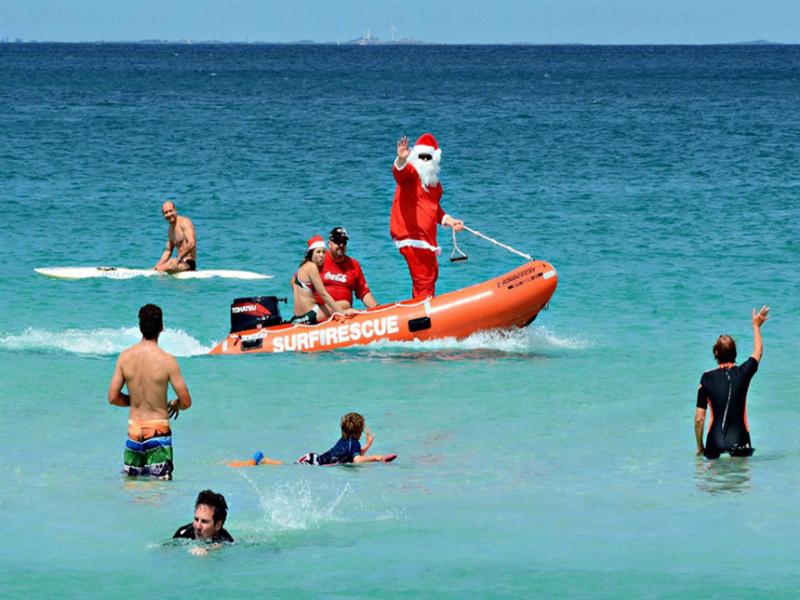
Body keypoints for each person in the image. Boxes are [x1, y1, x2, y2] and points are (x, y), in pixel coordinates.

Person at [108, 304, 191, 479]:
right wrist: (176, 404)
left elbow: (113, 397)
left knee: (132, 489)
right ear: (161, 327)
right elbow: (186, 401)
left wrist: (135, 400)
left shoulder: (125, 357)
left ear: (140, 327)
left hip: (134, 431)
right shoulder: (168, 361)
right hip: (158, 431)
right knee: (158, 493)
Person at [391, 133, 464, 299]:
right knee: (424, 277)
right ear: (416, 156)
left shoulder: (434, 186)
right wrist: (401, 159)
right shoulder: (410, 174)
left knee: (431, 273)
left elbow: (434, 210)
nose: (424, 161)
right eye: (421, 157)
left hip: (427, 240)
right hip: (411, 236)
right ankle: (424, 311)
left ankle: (421, 306)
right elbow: (399, 173)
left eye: (428, 157)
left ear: (434, 159)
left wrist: (449, 221)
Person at [695, 306, 770, 459]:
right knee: (740, 482)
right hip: (741, 444)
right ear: (735, 353)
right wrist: (756, 326)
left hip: (714, 446)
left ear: (716, 353)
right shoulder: (743, 373)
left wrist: (700, 446)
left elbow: (699, 419)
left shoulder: (706, 378)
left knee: (714, 482)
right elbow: (758, 351)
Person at [229, 412, 396, 467]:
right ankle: (258, 461)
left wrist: (367, 445)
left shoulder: (345, 440)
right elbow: (357, 459)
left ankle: (263, 459)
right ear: (359, 431)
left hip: (313, 458)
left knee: (288, 466)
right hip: (315, 464)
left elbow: (353, 454)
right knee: (289, 468)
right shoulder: (354, 444)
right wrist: (378, 457)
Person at [291, 235, 356, 324]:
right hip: (310, 315)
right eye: (318, 252)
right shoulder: (312, 267)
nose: (321, 255)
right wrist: (342, 312)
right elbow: (323, 294)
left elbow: (292, 283)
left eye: (323, 252)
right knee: (345, 304)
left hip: (298, 318)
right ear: (311, 253)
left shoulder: (301, 267)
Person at [319, 226, 378, 310]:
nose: (341, 245)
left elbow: (364, 293)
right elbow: (299, 282)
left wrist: (378, 309)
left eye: (344, 242)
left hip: (346, 315)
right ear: (329, 244)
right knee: (345, 304)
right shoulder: (319, 261)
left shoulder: (353, 264)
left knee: (347, 306)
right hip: (324, 314)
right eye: (338, 241)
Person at [173, 490, 234, 555]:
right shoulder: (183, 533)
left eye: (204, 521)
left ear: (218, 525)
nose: (198, 527)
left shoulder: (226, 539)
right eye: (196, 519)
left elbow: (221, 545)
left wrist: (207, 549)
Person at [154, 201, 196, 272]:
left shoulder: (185, 222)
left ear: (175, 210)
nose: (169, 214)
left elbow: (192, 243)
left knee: (163, 268)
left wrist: (177, 259)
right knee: (159, 268)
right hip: (178, 261)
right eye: (166, 212)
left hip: (188, 263)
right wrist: (157, 266)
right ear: (163, 215)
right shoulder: (170, 229)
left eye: (170, 211)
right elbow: (168, 251)